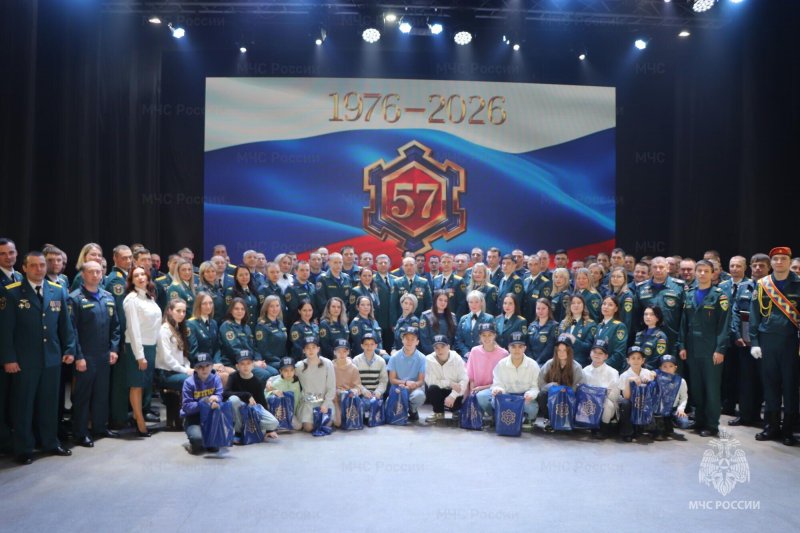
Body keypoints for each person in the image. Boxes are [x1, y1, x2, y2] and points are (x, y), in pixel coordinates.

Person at [0, 251, 76, 464]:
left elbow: (65, 324)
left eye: (42, 265)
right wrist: (8, 358)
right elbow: (5, 330)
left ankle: (50, 442)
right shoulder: (12, 292)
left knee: (49, 404)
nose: (39, 269)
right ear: (24, 268)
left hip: (52, 358)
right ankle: (24, 448)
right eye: (33, 265)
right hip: (24, 361)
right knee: (23, 406)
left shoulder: (57, 290)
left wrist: (70, 349)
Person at [67, 260, 121, 447]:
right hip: (86, 355)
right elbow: (71, 331)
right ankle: (80, 433)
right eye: (91, 272)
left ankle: (99, 427)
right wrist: (78, 356)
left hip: (104, 354)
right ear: (83, 274)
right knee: (83, 396)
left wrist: (114, 349)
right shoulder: (75, 298)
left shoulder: (108, 297)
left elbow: (116, 326)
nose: (95, 275)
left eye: (98, 272)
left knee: (101, 393)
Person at [750, 246, 800, 446]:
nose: (779, 262)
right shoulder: (763, 284)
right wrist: (754, 342)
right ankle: (771, 426)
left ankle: (788, 430)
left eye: (783, 259)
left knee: (790, 386)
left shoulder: (798, 283)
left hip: (791, 342)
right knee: (770, 385)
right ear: (771, 263)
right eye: (776, 259)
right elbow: (754, 315)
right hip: (767, 341)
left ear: (789, 261)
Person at [679, 260, 731, 438]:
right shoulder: (689, 294)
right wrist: (682, 345)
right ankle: (699, 419)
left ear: (713, 273)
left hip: (711, 350)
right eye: (699, 270)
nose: (702, 274)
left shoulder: (719, 296)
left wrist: (720, 349)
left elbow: (724, 325)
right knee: (696, 387)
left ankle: (712, 424)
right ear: (695, 272)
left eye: (706, 271)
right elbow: (683, 323)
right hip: (692, 348)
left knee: (711, 389)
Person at [729, 253, 768, 428]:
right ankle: (744, 415)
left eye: (762, 265)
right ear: (750, 267)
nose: (758, 268)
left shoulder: (772, 288)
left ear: (768, 268)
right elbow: (735, 313)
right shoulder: (743, 287)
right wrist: (737, 335)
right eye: (755, 265)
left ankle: (757, 415)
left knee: (763, 380)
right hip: (745, 343)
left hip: (766, 343)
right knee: (745, 379)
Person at [122, 265, 162, 438]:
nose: (140, 278)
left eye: (143, 274)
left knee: (144, 385)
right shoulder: (131, 299)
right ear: (131, 280)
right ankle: (139, 422)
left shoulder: (149, 296)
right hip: (137, 347)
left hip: (150, 346)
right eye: (136, 275)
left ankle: (137, 417)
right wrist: (140, 355)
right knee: (136, 385)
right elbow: (133, 329)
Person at [483, 331, 540, 431]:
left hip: (523, 397)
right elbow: (497, 383)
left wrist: (531, 394)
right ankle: (495, 416)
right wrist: (498, 390)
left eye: (520, 346)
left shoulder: (533, 365)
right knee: (483, 397)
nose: (517, 350)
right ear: (508, 348)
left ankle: (529, 419)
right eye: (513, 346)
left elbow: (535, 387)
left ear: (525, 348)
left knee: (532, 408)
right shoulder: (501, 364)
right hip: (506, 396)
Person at [636, 256, 685, 359]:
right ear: (651, 269)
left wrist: (682, 341)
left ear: (667, 268)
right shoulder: (641, 288)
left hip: (672, 338)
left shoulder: (679, 287)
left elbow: (684, 316)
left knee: (672, 367)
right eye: (655, 267)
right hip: (648, 339)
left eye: (661, 267)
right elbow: (637, 315)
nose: (658, 270)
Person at [225, 351, 279, 442]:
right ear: (237, 366)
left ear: (253, 365)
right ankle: (238, 432)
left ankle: (250, 426)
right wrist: (247, 395)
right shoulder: (233, 376)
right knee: (233, 399)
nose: (245, 366)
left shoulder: (257, 381)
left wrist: (269, 430)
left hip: (251, 411)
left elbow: (262, 402)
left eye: (248, 363)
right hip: (238, 411)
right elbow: (225, 393)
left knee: (274, 423)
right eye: (242, 364)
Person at [536, 335, 584, 432]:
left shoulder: (576, 367)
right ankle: (549, 418)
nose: (561, 353)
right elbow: (541, 384)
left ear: (569, 351)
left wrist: (565, 390)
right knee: (542, 395)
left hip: (569, 398)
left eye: (564, 350)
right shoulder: (549, 364)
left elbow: (579, 387)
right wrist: (551, 386)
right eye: (559, 350)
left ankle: (570, 418)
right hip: (552, 397)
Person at [218, 297, 270, 385]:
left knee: (274, 372)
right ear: (231, 310)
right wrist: (252, 363)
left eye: (242, 309)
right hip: (236, 363)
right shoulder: (226, 326)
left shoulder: (246, 327)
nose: (240, 311)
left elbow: (254, 347)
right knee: (265, 375)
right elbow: (234, 349)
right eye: (236, 309)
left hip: (250, 361)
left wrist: (259, 361)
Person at [180, 352, 223, 455]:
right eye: (200, 366)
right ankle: (191, 443)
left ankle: (208, 438)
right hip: (193, 417)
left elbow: (220, 396)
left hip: (209, 417)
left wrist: (216, 400)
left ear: (212, 366)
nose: (204, 369)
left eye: (207, 365)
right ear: (195, 368)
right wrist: (203, 403)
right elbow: (186, 406)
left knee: (214, 447)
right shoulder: (188, 382)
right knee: (197, 440)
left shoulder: (216, 379)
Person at [186, 293, 230, 386]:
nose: (208, 306)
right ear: (198, 305)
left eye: (210, 303)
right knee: (224, 376)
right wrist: (210, 365)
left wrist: (218, 363)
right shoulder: (191, 324)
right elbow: (193, 352)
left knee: (234, 373)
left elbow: (217, 348)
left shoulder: (213, 323)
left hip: (213, 363)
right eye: (204, 304)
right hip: (199, 365)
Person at [294, 336, 336, 432]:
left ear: (318, 349)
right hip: (308, 403)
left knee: (325, 425)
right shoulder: (299, 366)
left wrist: (326, 404)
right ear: (304, 350)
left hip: (324, 401)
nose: (311, 350)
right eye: (307, 348)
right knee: (309, 428)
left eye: (313, 347)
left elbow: (331, 386)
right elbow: (285, 375)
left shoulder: (327, 363)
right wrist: (270, 380)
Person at [467, 322, 508, 418]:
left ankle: (494, 416)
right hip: (477, 389)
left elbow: (504, 381)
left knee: (483, 397)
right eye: (483, 335)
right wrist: (472, 393)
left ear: (495, 335)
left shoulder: (503, 354)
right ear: (480, 336)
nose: (487, 338)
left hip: (495, 388)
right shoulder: (474, 351)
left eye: (490, 335)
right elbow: (471, 377)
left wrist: (481, 388)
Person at [424, 334, 468, 424]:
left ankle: (456, 411)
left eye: (442, 346)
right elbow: (430, 381)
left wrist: (452, 396)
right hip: (440, 391)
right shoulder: (428, 360)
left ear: (448, 347)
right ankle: (438, 412)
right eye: (436, 347)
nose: (440, 350)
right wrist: (449, 383)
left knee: (459, 387)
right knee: (432, 388)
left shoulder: (457, 358)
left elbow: (464, 379)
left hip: (454, 391)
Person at [155, 298, 194, 398]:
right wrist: (185, 371)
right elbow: (167, 358)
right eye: (178, 311)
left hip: (178, 370)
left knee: (205, 377)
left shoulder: (178, 329)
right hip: (166, 373)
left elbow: (183, 356)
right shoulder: (164, 330)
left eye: (184, 311)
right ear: (169, 311)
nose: (182, 314)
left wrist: (188, 368)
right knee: (192, 381)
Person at [581, 340, 620, 438]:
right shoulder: (584, 371)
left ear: (606, 356)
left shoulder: (613, 372)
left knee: (608, 404)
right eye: (594, 352)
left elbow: (615, 396)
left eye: (600, 353)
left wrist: (599, 394)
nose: (597, 355)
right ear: (590, 353)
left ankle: (604, 429)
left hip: (604, 404)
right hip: (588, 403)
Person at [386, 327, 427, 422]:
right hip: (398, 388)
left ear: (417, 342)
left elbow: (421, 381)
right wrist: (405, 383)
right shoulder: (394, 357)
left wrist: (413, 385)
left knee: (419, 396)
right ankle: (401, 411)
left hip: (414, 388)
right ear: (402, 340)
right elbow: (392, 379)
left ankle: (412, 410)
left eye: (413, 339)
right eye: (407, 339)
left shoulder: (422, 358)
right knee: (388, 403)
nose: (409, 341)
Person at [617, 346, 655, 442]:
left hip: (644, 403)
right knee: (625, 403)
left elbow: (654, 374)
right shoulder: (624, 375)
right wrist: (629, 381)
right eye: (633, 358)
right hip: (631, 403)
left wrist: (652, 375)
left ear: (643, 360)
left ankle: (646, 427)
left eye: (639, 358)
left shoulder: (646, 372)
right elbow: (627, 397)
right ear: (628, 360)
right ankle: (627, 432)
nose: (636, 361)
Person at [653, 354, 689, 441]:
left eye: (670, 366)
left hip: (673, 408)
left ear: (675, 367)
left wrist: (681, 409)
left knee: (684, 423)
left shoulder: (681, 381)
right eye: (664, 366)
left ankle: (669, 423)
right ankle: (660, 429)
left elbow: (684, 398)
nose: (667, 368)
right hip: (660, 409)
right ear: (660, 368)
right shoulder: (656, 379)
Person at [331, 338, 363, 427]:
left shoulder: (353, 368)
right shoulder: (330, 367)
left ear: (348, 352)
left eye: (344, 351)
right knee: (338, 423)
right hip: (335, 399)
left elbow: (358, 386)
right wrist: (336, 392)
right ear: (334, 352)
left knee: (352, 419)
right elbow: (327, 385)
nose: (342, 354)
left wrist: (354, 391)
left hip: (349, 398)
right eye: (339, 351)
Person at [454, 290, 495, 359]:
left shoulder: (489, 318)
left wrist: (478, 353)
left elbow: (491, 339)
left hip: (483, 356)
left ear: (481, 302)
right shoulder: (463, 319)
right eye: (471, 302)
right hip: (465, 357)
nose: (473, 305)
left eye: (476, 302)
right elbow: (458, 339)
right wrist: (466, 352)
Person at [558, 295, 597, 367]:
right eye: (573, 303)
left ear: (583, 306)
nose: (576, 305)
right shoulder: (563, 323)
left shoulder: (590, 324)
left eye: (579, 303)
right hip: (562, 362)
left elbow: (589, 348)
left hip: (580, 363)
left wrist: (575, 341)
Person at [254, 295, 287, 377]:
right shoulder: (262, 326)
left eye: (277, 305)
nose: (275, 309)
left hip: (281, 359)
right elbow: (262, 350)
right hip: (269, 361)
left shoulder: (280, 322)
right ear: (266, 308)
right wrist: (279, 361)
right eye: (271, 306)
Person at [593, 295, 628, 372]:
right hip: (597, 367)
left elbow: (619, 353)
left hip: (611, 369)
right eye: (604, 304)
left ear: (616, 309)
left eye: (610, 305)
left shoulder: (619, 326)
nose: (606, 307)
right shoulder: (599, 326)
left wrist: (603, 366)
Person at [352, 333, 388, 401]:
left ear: (376, 346)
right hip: (361, 394)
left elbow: (383, 380)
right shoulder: (356, 360)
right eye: (366, 344)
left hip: (376, 395)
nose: (369, 347)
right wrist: (364, 391)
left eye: (372, 344)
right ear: (362, 346)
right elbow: (355, 381)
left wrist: (378, 392)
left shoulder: (381, 361)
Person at [419, 290, 458, 355]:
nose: (443, 302)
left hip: (449, 355)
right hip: (431, 355)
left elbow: (455, 338)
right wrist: (437, 354)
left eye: (445, 301)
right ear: (435, 300)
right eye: (440, 300)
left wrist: (449, 353)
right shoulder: (425, 316)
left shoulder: (452, 317)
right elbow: (424, 340)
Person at [266, 356, 303, 421]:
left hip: (293, 413)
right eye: (286, 370)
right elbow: (266, 394)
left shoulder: (297, 381)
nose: (289, 373)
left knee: (299, 425)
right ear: (280, 371)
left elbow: (298, 399)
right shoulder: (276, 382)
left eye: (291, 370)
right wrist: (273, 392)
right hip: (279, 414)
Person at [224, 265, 260, 332]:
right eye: (241, 275)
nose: (244, 277)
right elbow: (228, 312)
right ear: (236, 277)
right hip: (239, 328)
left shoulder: (254, 290)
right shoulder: (231, 291)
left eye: (246, 274)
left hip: (254, 328)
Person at [634, 305, 669, 370]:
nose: (648, 317)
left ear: (657, 318)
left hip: (651, 371)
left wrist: (643, 369)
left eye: (652, 314)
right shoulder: (639, 335)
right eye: (645, 314)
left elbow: (658, 359)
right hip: (636, 369)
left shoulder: (661, 337)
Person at [432, 254, 467, 318]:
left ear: (453, 264)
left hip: (451, 317)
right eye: (444, 262)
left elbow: (463, 303)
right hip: (437, 316)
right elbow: (433, 299)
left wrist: (456, 318)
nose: (446, 264)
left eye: (448, 262)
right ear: (440, 264)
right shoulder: (435, 279)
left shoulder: (459, 281)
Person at [527, 298, 559, 366]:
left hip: (546, 363)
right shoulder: (531, 326)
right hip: (531, 363)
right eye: (538, 308)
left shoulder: (554, 326)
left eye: (543, 308)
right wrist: (532, 361)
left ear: (548, 309)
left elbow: (550, 347)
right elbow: (527, 345)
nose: (540, 311)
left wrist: (538, 361)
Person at [522, 254, 553, 323]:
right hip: (524, 316)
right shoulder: (525, 280)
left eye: (536, 264)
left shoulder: (545, 282)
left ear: (540, 265)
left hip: (536, 318)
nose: (533, 267)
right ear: (527, 265)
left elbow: (543, 304)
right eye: (530, 264)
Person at [373, 254, 395, 349]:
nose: (383, 265)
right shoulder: (371, 280)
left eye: (385, 263)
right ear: (376, 265)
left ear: (389, 264)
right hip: (378, 321)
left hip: (393, 322)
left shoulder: (396, 280)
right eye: (380, 263)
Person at [606, 267, 636, 336]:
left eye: (619, 277)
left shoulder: (627, 295)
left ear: (625, 279)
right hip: (609, 330)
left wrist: (621, 335)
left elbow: (626, 319)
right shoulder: (609, 293)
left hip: (619, 332)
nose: (615, 279)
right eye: (613, 276)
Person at [285, 260, 316, 326]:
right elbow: (293, 309)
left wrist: (314, 319)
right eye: (302, 270)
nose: (305, 272)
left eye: (307, 270)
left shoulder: (312, 286)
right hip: (297, 324)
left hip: (312, 323)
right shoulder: (291, 288)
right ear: (296, 271)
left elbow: (315, 305)